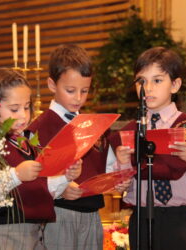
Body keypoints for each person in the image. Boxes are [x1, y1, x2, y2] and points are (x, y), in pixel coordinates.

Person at [109, 47, 186, 250]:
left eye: (157, 80)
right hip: (142, 219)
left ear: (175, 85)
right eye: (141, 81)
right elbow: (119, 186)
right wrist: (123, 164)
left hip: (184, 221)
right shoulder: (127, 133)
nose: (148, 88)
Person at [26, 44, 133, 250]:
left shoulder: (94, 126)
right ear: (51, 84)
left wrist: (117, 176)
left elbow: (107, 167)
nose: (78, 98)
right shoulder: (37, 130)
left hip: (92, 215)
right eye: (70, 90)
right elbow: (31, 182)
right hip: (58, 215)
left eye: (84, 91)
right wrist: (61, 188)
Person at [0, 68, 82, 250]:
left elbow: (41, 190)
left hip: (33, 234)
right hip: (0, 235)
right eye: (14, 109)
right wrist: (16, 175)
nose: (23, 115)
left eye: (26, 107)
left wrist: (65, 177)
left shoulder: (26, 142)